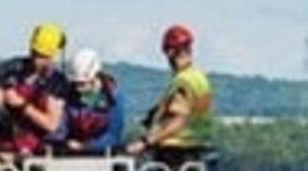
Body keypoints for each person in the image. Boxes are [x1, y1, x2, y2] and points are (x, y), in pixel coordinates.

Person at [0, 23, 70, 157]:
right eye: (35, 54)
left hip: (40, 147)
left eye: (42, 56)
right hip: (8, 140)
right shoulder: (14, 68)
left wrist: (21, 105)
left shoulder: (57, 82)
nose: (37, 60)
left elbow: (51, 124)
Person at [126, 25, 213, 157]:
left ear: (170, 52)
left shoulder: (182, 82)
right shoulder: (199, 78)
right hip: (197, 145)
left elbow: (178, 119)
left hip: (175, 150)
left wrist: (146, 142)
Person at [55, 49, 122, 154]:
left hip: (103, 157)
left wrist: (86, 146)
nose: (78, 88)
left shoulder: (113, 96)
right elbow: (61, 126)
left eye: (83, 84)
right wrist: (63, 141)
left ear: (95, 76)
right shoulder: (68, 95)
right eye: (76, 84)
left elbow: (113, 135)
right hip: (70, 155)